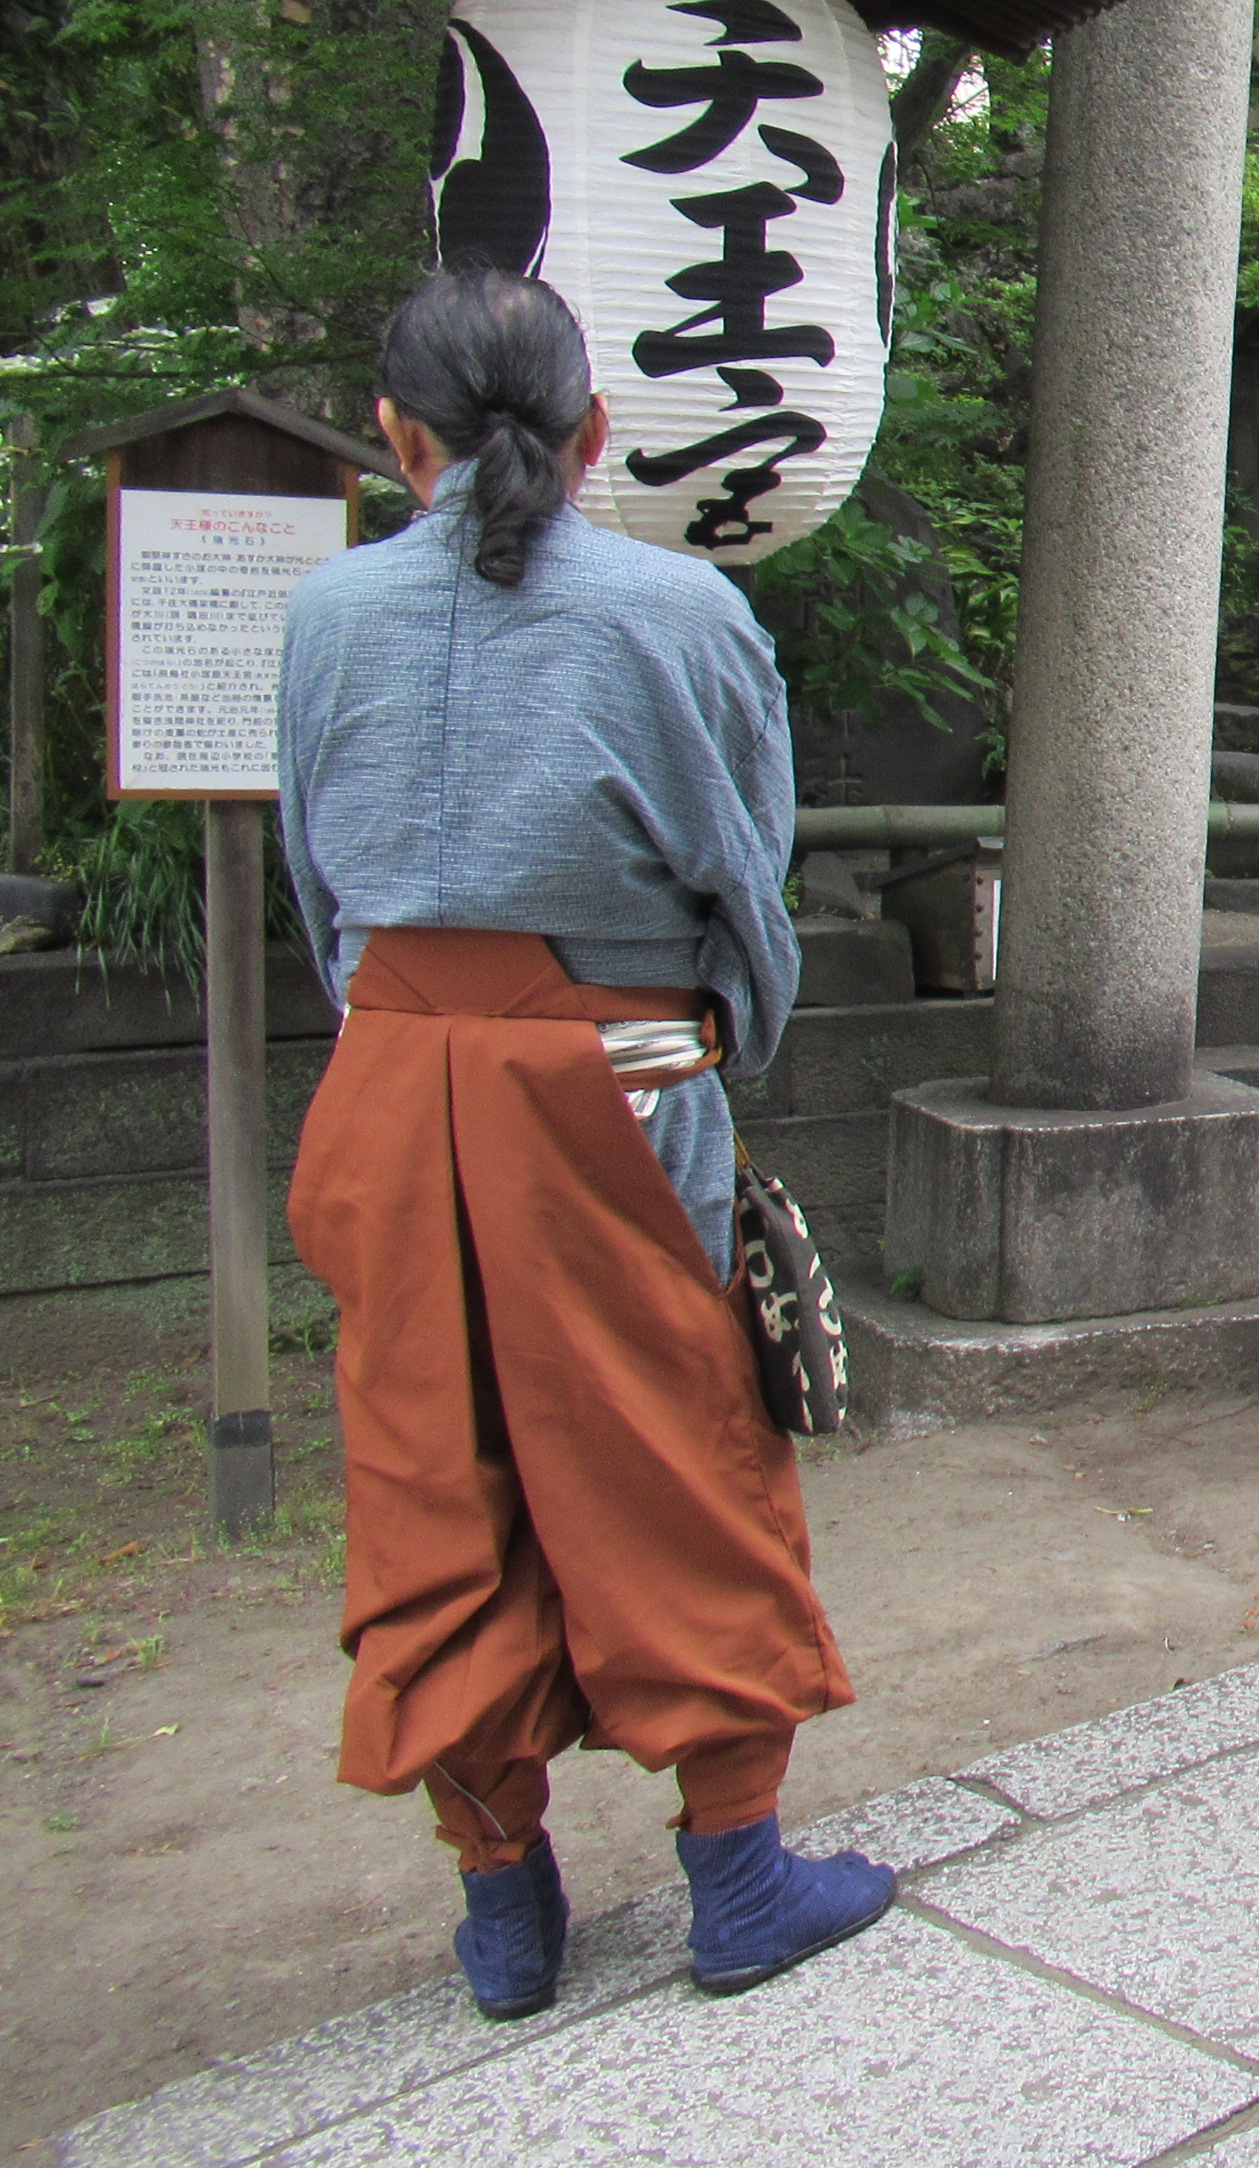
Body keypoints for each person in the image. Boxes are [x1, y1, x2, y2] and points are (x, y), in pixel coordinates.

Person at [277, 268, 886, 2017]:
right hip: (617, 1078)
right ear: (593, 430)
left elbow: (327, 899)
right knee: (673, 1444)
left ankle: (501, 1906)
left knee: (426, 1463)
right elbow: (741, 885)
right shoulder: (679, 609)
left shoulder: (326, 617)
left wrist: (413, 1036)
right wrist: (715, 1050)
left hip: (392, 1079)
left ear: (397, 439)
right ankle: (739, 1871)